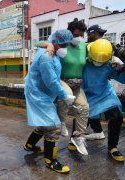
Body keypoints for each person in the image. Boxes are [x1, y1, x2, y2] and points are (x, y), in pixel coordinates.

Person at [23, 30, 74, 174]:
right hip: (37, 94)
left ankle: (29, 146)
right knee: (53, 127)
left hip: (41, 92)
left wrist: (49, 44)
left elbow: (40, 43)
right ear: (57, 43)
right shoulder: (47, 56)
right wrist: (64, 95)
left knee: (44, 123)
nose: (66, 48)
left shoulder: (53, 51)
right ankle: (50, 161)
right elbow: (51, 81)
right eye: (64, 45)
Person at [37, 19, 89, 155]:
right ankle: (62, 122)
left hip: (78, 83)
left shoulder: (84, 46)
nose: (79, 38)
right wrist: (48, 44)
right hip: (63, 80)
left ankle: (78, 137)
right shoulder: (62, 45)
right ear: (69, 34)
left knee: (84, 107)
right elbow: (38, 43)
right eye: (76, 35)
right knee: (66, 97)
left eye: (81, 35)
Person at [83, 39, 125, 161]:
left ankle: (113, 147)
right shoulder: (83, 63)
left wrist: (122, 67)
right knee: (82, 117)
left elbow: (124, 80)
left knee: (117, 117)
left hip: (105, 94)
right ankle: (74, 139)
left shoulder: (110, 64)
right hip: (87, 94)